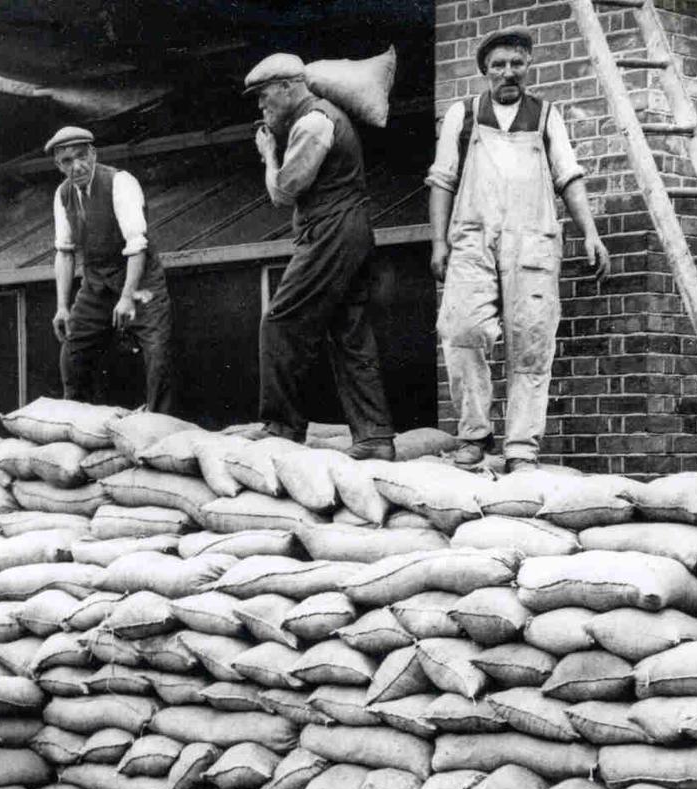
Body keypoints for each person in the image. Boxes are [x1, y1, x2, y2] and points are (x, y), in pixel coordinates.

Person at [428, 27, 610, 472]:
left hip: (533, 242)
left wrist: (590, 232)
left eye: (516, 64)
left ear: (528, 66)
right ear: (485, 71)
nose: (508, 73)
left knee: (531, 343)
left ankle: (522, 448)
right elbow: (442, 179)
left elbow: (569, 176)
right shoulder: (463, 114)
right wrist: (438, 241)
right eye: (499, 66)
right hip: (472, 238)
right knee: (461, 330)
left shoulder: (547, 115)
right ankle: (475, 435)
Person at [248, 53, 395, 460]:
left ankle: (281, 426)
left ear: (288, 87)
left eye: (264, 96)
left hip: (332, 230)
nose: (262, 106)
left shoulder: (312, 123)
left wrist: (268, 153)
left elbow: (284, 191)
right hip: (352, 229)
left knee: (280, 322)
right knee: (350, 331)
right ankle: (374, 436)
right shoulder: (323, 116)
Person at [48, 126, 176, 415]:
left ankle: (157, 423)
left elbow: (137, 245)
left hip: (139, 281)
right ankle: (76, 418)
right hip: (95, 283)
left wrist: (128, 297)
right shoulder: (63, 194)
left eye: (81, 156)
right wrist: (62, 306)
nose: (76, 166)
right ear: (58, 166)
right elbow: (64, 252)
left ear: (94, 153)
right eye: (67, 161)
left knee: (157, 352)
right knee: (72, 350)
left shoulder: (120, 182)